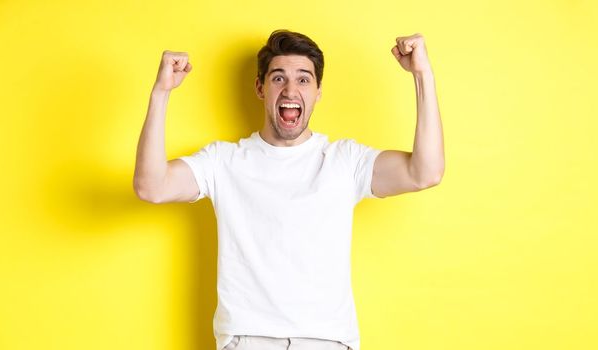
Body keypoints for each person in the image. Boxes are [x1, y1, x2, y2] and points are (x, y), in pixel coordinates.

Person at [133, 30, 444, 350]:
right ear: (260, 88)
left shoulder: (346, 161)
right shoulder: (223, 162)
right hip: (247, 339)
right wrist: (161, 92)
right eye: (278, 78)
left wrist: (422, 74)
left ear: (318, 91)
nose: (291, 90)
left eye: (304, 80)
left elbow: (425, 172)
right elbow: (151, 186)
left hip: (327, 340)